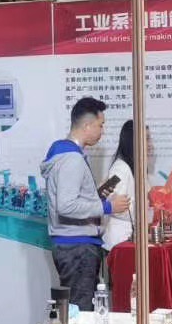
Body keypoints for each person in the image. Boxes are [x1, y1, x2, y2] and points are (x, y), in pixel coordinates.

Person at [43, 97, 129, 310]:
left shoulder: (67, 156)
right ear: (87, 125)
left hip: (74, 245)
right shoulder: (72, 160)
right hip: (77, 247)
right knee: (81, 312)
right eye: (101, 125)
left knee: (77, 308)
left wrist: (96, 196)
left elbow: (69, 200)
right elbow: (66, 206)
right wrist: (107, 207)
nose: (102, 131)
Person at [102, 120, 138, 251]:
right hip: (119, 241)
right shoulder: (120, 169)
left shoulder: (131, 167)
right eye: (146, 139)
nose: (150, 144)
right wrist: (141, 210)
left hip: (126, 238)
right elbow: (112, 201)